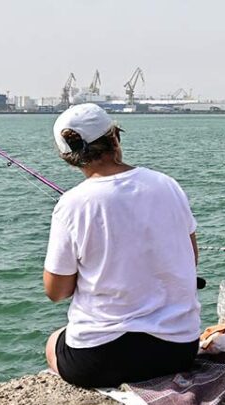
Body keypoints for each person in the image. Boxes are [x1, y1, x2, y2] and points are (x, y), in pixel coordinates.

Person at [43, 103, 200, 388]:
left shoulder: (72, 204)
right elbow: (192, 258)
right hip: (178, 349)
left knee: (53, 342)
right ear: (114, 137)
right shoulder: (167, 185)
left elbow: (56, 291)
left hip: (100, 359)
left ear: (69, 158)